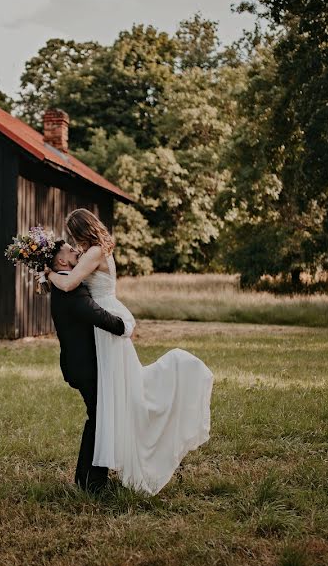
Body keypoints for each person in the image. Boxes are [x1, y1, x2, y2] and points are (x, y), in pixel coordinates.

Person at [46, 209, 213, 495]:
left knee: (110, 402)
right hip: (105, 320)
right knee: (108, 403)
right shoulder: (101, 249)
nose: (73, 244)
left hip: (106, 322)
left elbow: (70, 283)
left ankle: (94, 480)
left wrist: (47, 273)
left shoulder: (92, 253)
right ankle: (93, 479)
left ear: (80, 230)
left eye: (73, 236)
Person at [47, 240, 127, 493]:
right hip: (85, 365)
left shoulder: (63, 283)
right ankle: (92, 484)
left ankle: (87, 480)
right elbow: (95, 314)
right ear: (61, 261)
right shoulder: (69, 288)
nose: (76, 252)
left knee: (98, 417)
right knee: (99, 418)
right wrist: (123, 325)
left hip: (82, 363)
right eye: (70, 250)